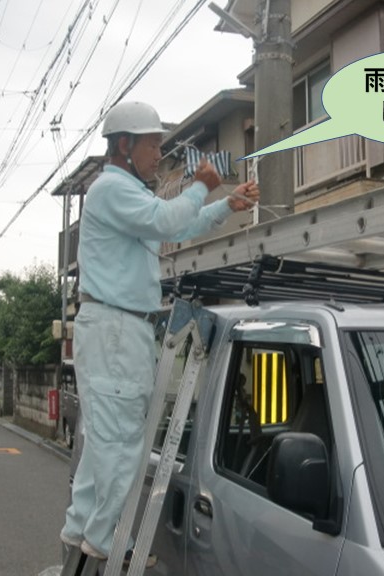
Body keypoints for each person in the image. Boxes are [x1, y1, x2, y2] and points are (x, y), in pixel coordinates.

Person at [60, 100, 260, 566]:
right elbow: (166, 219)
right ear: (123, 145)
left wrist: (224, 204)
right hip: (115, 326)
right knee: (121, 440)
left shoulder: (127, 194)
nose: (158, 154)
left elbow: (176, 222)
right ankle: (106, 538)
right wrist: (201, 185)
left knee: (104, 441)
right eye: (152, 145)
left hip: (114, 326)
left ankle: (83, 526)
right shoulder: (112, 188)